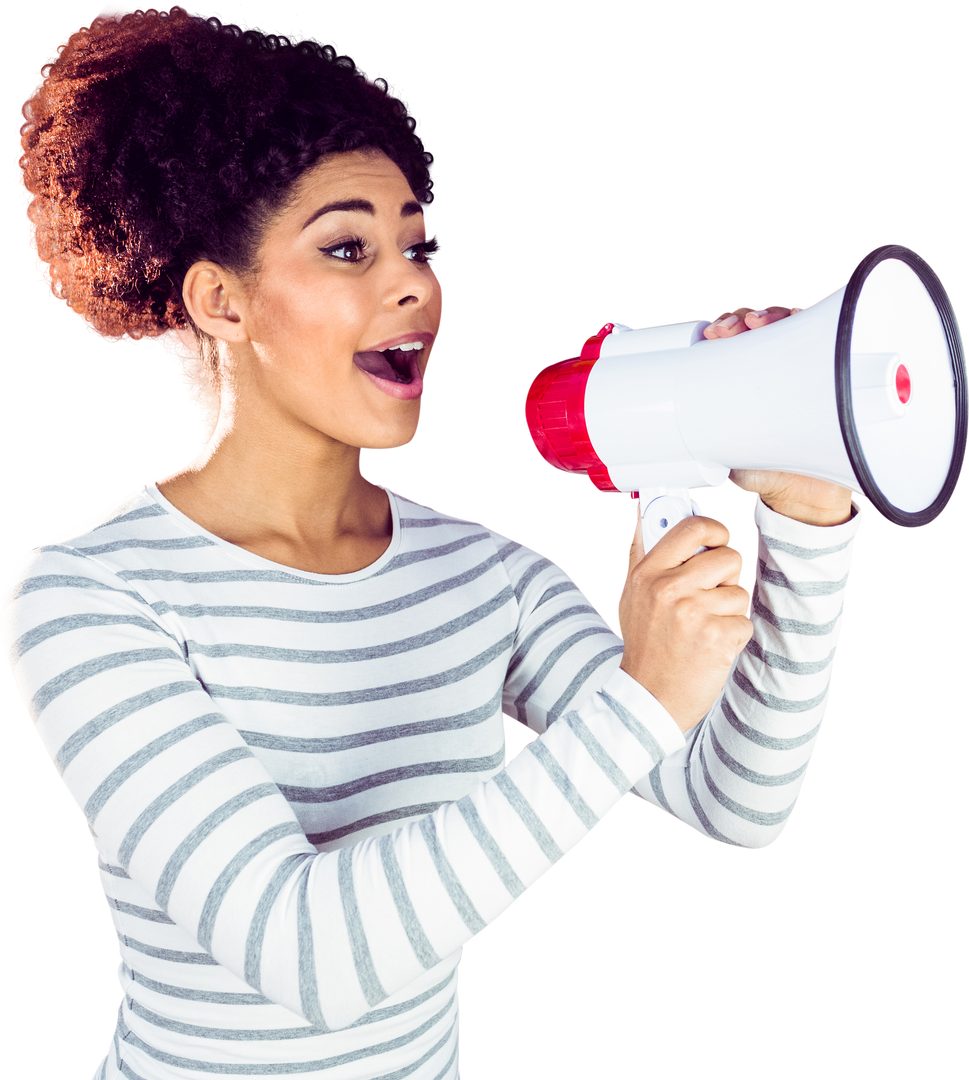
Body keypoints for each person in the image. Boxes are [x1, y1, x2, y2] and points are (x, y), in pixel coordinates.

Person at [1, 5, 864, 1078]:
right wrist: (637, 702)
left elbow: (736, 799)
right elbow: (307, 957)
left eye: (415, 242)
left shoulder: (485, 578)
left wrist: (808, 516)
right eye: (348, 247)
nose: (415, 282)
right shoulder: (86, 590)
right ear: (220, 301)